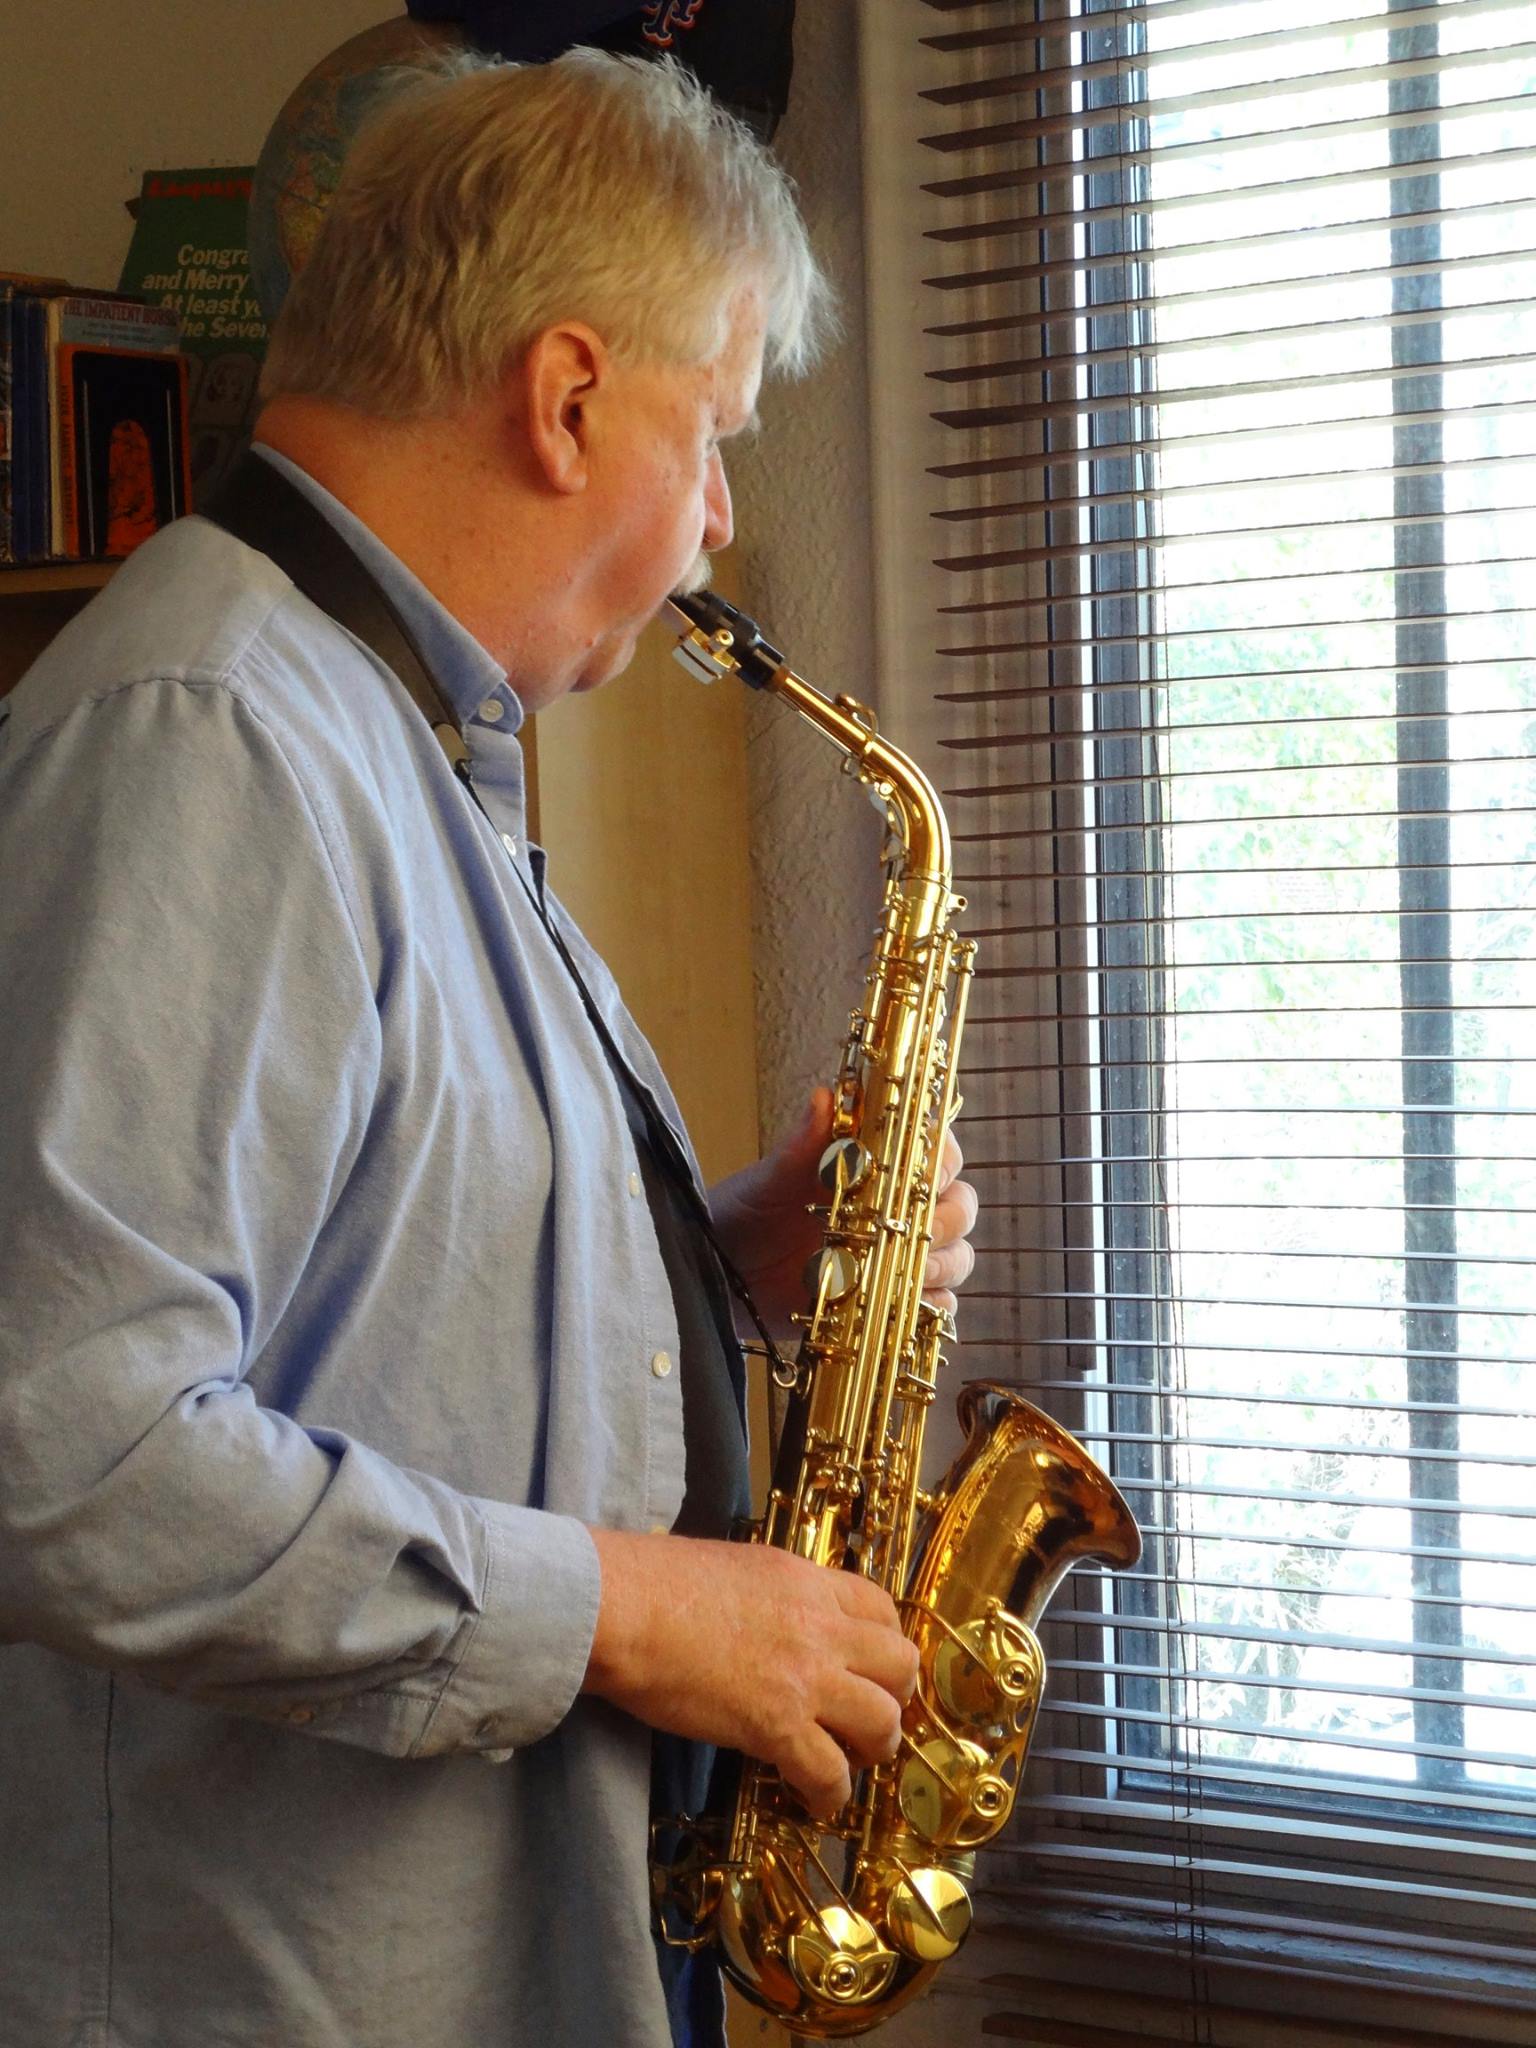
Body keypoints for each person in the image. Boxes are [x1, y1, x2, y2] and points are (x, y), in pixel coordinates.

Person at [0, 49, 977, 2048]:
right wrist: (632, 1609)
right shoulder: (216, 737)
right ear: (567, 396)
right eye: (715, 434)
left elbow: (369, 1300)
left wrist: (725, 1259)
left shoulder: (391, 736)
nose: (719, 517)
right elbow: (66, 1452)